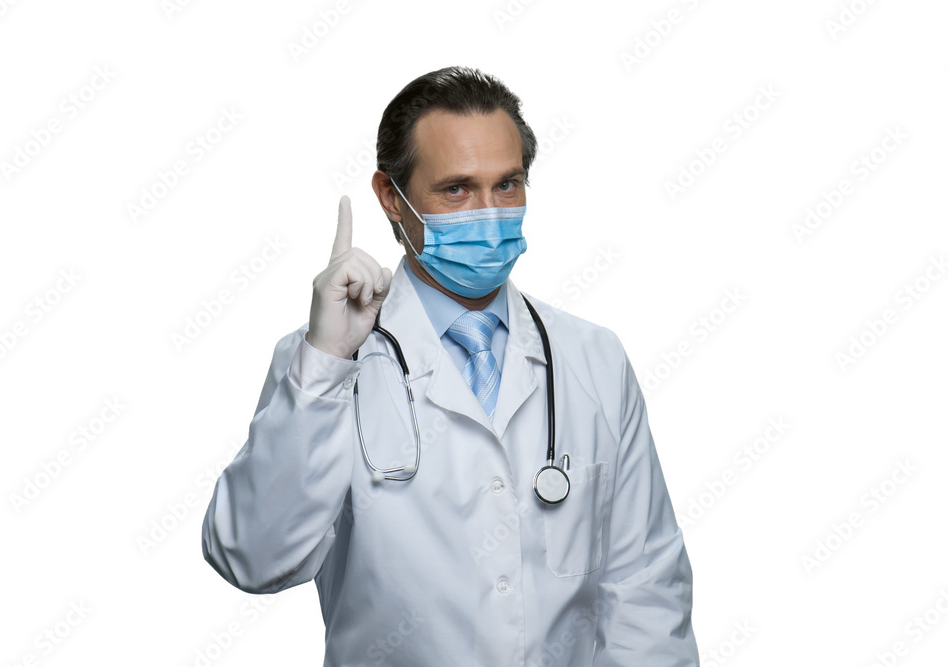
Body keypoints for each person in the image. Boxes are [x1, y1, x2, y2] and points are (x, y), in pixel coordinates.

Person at [201, 65, 699, 666]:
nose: (489, 214)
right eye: (457, 189)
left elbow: (645, 588)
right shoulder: (322, 364)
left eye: (508, 185)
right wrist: (326, 362)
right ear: (392, 197)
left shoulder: (591, 357)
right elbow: (252, 559)